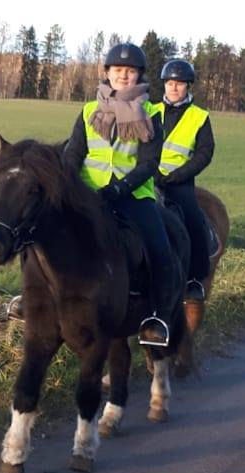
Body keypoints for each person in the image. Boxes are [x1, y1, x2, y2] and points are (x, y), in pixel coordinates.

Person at [63, 42, 181, 347]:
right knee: (44, 229)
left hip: (133, 196)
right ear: (107, 73)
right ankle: (34, 300)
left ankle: (159, 318)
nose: (123, 77)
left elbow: (148, 163)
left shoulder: (152, 112)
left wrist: (119, 188)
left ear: (139, 75)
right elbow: (74, 152)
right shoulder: (90, 110)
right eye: (118, 70)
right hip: (90, 195)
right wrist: (66, 183)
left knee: (161, 250)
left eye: (130, 72)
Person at [154, 59, 215, 301]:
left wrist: (179, 175)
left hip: (179, 182)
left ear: (188, 86)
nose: (174, 88)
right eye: (170, 83)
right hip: (147, 178)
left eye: (179, 84)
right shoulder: (150, 110)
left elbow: (204, 153)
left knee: (193, 219)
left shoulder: (199, 117)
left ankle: (195, 277)